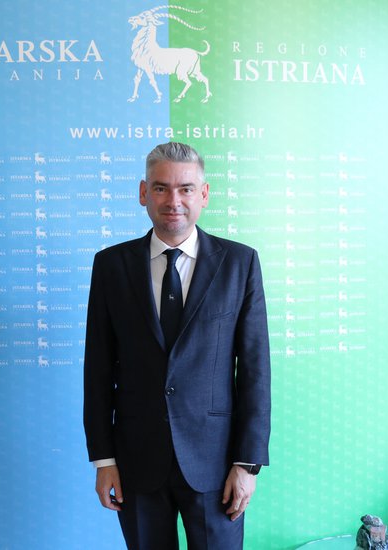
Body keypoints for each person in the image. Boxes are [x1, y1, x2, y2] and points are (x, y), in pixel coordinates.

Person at [83, 142, 271, 549]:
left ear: (204, 194)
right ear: (143, 193)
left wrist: (247, 463)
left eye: (186, 189)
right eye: (161, 188)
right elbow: (97, 369)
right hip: (136, 461)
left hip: (216, 464)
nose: (174, 201)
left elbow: (255, 371)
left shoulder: (239, 263)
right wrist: (104, 459)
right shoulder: (111, 265)